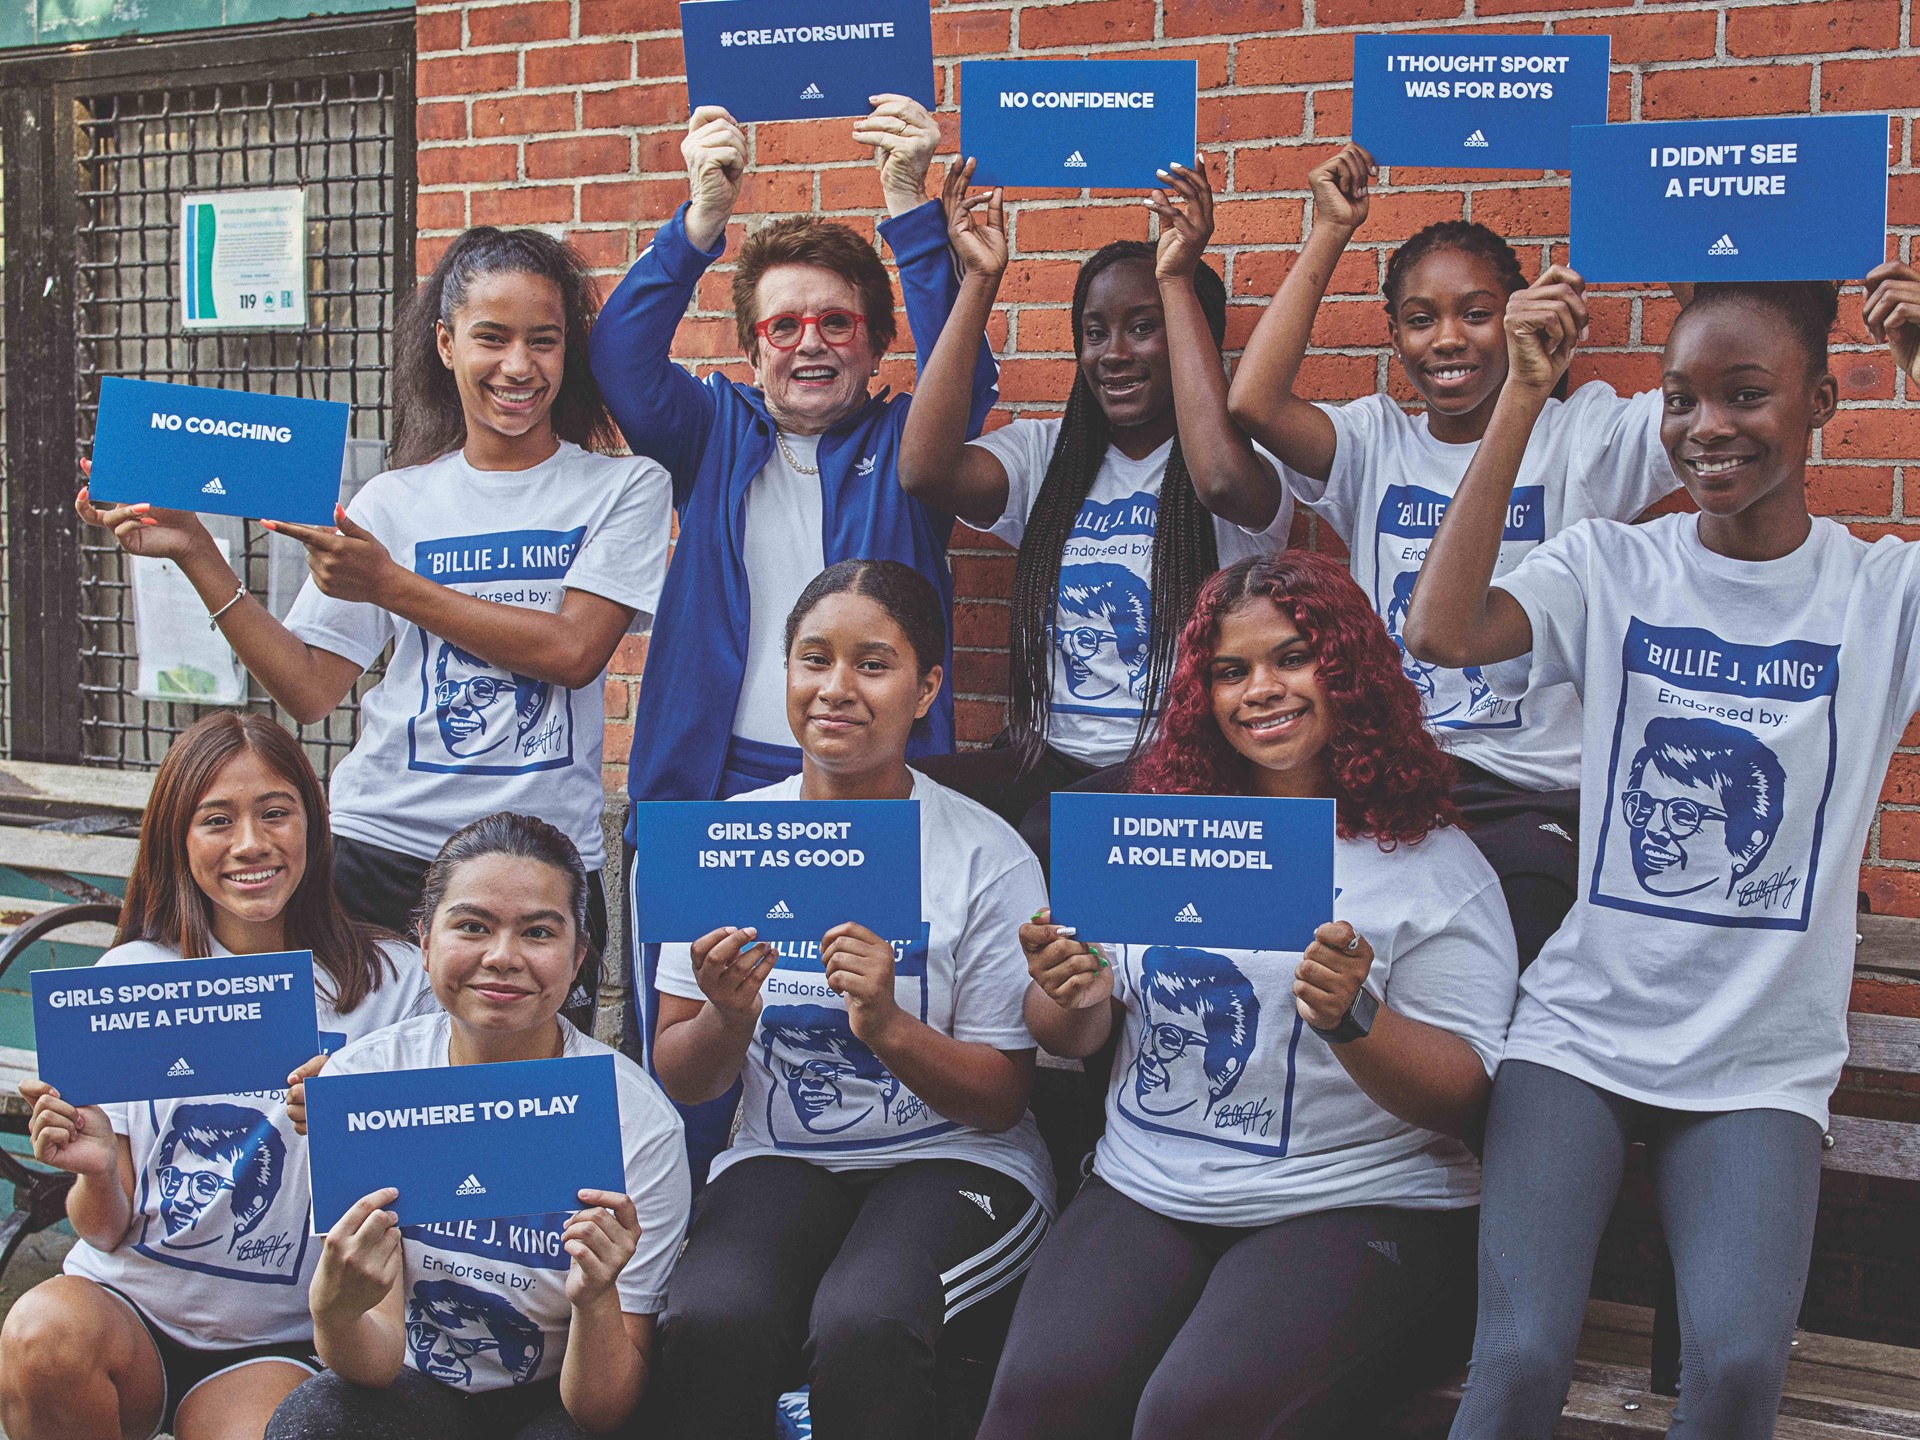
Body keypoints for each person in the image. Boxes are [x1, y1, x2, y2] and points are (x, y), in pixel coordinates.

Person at [1400, 261, 1920, 1436]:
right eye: (1682, 398)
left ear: (1823, 402)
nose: (1707, 428)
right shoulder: (1615, 565)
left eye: (1745, 393)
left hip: (1758, 1064)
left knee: (1736, 1370)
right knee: (1522, 1357)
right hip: (1584, 1035)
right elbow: (1441, 628)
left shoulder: (1880, 592)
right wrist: (1521, 396)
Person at [977, 552, 1517, 1440]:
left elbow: (1468, 1097)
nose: (1260, 689)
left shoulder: (1428, 865)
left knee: (1194, 1417)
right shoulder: (1158, 838)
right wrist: (1065, 989)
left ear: (1346, 669)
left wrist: (1356, 1020)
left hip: (1355, 1203)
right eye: (1230, 671)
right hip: (1146, 1186)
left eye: (1292, 657)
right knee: (1037, 1406)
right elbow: (1070, 1034)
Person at [78, 227, 673, 1029]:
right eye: (490, 338)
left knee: (503, 1105)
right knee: (350, 1103)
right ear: (445, 342)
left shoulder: (624, 487)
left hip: (533, 866)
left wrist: (392, 584)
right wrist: (193, 550)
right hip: (378, 852)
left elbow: (573, 652)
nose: (518, 367)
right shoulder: (393, 501)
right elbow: (310, 688)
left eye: (545, 340)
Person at [587, 97, 997, 1166]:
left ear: (872, 343)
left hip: (867, 787)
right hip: (711, 781)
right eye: (782, 325)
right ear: (752, 345)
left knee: (846, 1008)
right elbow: (622, 361)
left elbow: (972, 370)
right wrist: (701, 214)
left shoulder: (912, 442)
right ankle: (699, 1228)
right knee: (693, 1025)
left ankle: (834, 1197)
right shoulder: (710, 430)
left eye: (836, 323)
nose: (809, 343)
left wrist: (911, 210)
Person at [1227, 144, 1683, 964]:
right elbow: (1254, 400)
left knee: (1501, 956)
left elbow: (1707, 407)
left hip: (1533, 796)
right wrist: (1330, 231)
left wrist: (1685, 260)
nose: (1447, 339)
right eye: (1419, 317)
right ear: (1393, 332)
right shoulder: (1374, 441)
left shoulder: (1583, 435)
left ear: (1515, 317)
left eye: (1476, 313)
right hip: (1387, 777)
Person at [646, 560, 1055, 1440]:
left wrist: (889, 1026)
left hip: (959, 1162)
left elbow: (1001, 1098)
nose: (837, 688)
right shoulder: (722, 843)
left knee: (865, 1320)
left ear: (926, 688)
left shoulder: (984, 856)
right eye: (813, 659)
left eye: (873, 664)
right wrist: (726, 1014)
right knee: (715, 1317)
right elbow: (682, 1078)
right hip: (781, 1157)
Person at [0, 712, 434, 1440]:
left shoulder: (395, 984)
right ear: (179, 836)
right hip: (127, 1307)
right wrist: (98, 1169)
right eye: (216, 820)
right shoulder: (132, 977)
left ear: (314, 823)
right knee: (37, 1334)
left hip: (280, 1338)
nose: (250, 844)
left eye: (275, 813)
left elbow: (427, 1187)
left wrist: (353, 1124)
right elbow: (105, 1228)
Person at [900, 158, 1293, 854]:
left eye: (1145, 327)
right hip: (1048, 755)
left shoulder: (1244, 467)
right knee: (903, 804)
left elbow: (1224, 486)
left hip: (1185, 763)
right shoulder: (1047, 456)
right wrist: (980, 282)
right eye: (1094, 331)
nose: (1114, 353)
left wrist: (1176, 276)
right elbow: (925, 469)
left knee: (1048, 833)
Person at [268, 813, 690, 1440]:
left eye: (538, 933)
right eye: (471, 926)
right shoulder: (370, 1081)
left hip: (562, 1396)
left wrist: (596, 1298)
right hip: (416, 1389)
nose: (502, 958)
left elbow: (603, 1411)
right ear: (425, 942)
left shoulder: (636, 1121)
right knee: (318, 1418)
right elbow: (374, 1360)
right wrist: (333, 1312)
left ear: (578, 958)